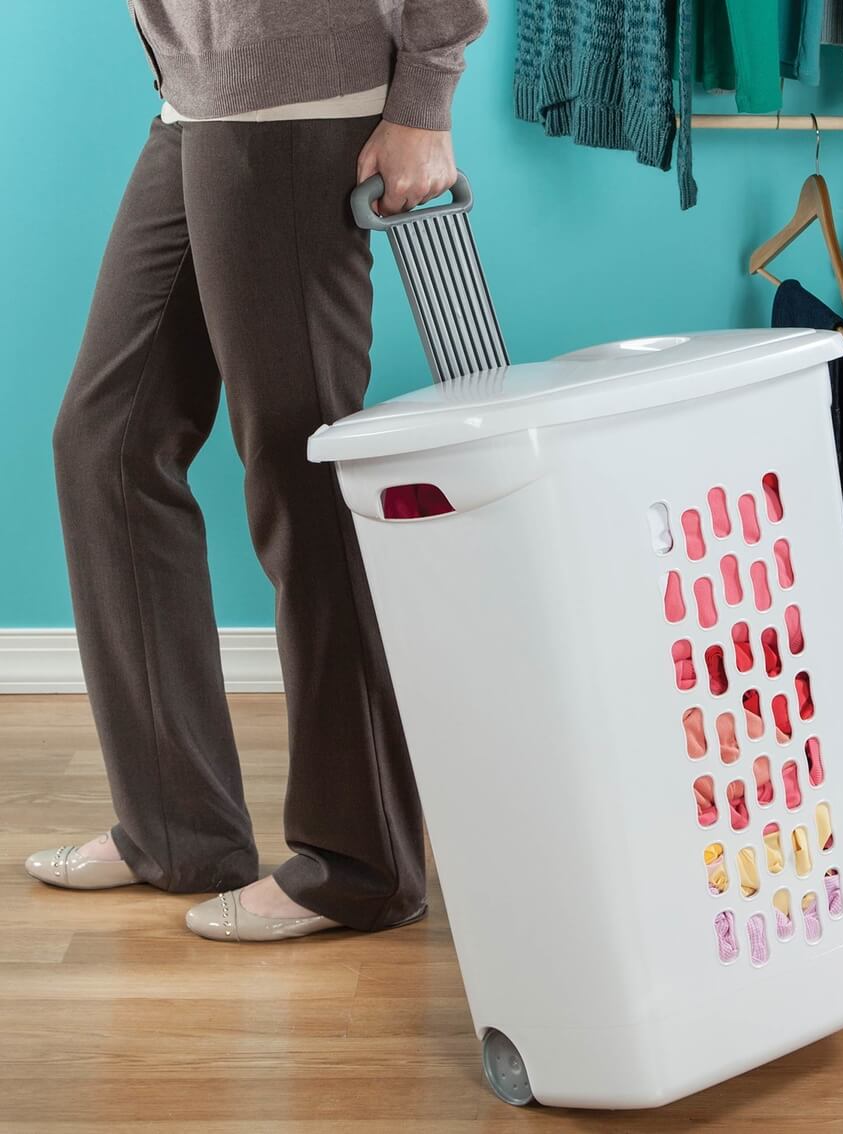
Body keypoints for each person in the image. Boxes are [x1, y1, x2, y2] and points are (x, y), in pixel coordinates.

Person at [24, 0, 488, 942]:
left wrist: (426, 99)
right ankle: (177, 830)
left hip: (302, 106)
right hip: (196, 99)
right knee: (105, 444)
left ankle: (362, 866)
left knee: (301, 476)